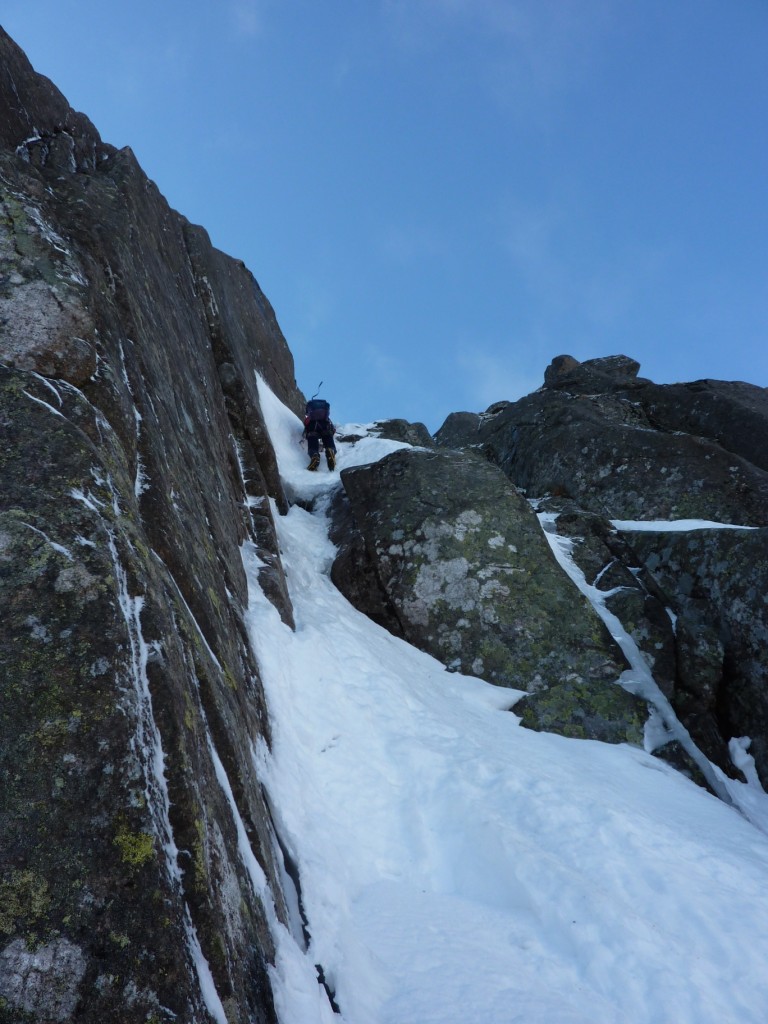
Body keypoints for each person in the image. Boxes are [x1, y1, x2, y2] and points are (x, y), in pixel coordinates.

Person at [303, 399, 337, 471]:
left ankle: (314, 455)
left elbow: (306, 423)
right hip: (325, 426)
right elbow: (332, 428)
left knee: (312, 440)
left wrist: (306, 432)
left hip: (312, 427)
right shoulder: (325, 416)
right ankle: (331, 450)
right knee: (328, 437)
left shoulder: (310, 414)